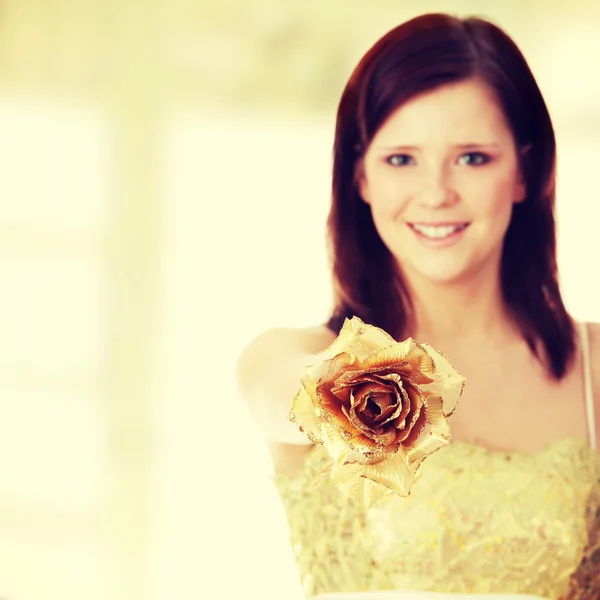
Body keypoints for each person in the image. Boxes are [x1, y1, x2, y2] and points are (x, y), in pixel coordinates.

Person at [236, 12, 600, 600]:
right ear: (360, 177)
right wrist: (364, 395)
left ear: (524, 173)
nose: (436, 194)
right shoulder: (292, 355)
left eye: (473, 158)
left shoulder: (594, 368)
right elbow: (281, 394)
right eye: (401, 159)